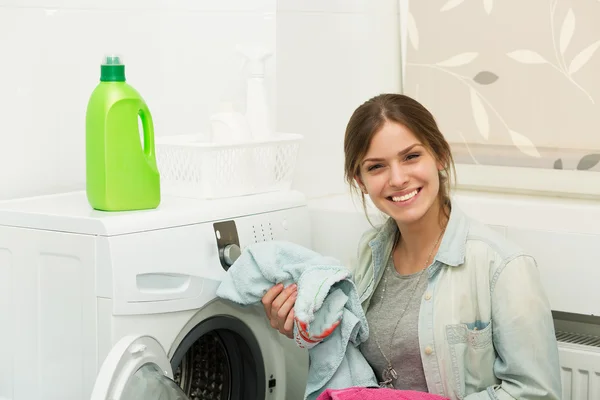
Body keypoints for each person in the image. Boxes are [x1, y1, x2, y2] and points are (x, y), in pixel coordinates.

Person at [261, 93, 562, 399]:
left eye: (411, 157)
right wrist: (302, 326)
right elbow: (348, 361)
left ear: (439, 155)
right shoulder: (368, 255)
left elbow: (537, 394)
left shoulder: (504, 267)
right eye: (376, 167)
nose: (398, 178)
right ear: (360, 181)